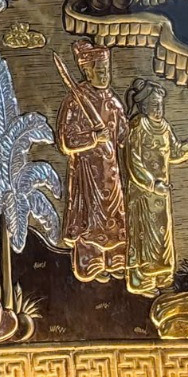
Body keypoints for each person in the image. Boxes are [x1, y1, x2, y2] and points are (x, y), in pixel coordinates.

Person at [121, 80, 188, 296]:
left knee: (162, 234)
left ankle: (161, 274)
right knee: (145, 235)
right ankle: (141, 280)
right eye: (154, 105)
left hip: (161, 193)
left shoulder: (164, 127)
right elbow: (133, 162)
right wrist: (152, 184)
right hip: (143, 193)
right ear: (143, 106)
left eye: (160, 105)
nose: (158, 109)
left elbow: (174, 151)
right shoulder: (138, 127)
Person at [57, 39, 128, 283]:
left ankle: (116, 259)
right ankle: (91, 262)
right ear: (88, 72)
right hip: (87, 172)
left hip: (111, 171)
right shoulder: (76, 101)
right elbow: (66, 141)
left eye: (107, 70)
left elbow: (123, 135)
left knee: (115, 214)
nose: (105, 75)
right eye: (100, 71)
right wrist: (93, 138)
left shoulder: (112, 101)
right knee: (90, 217)